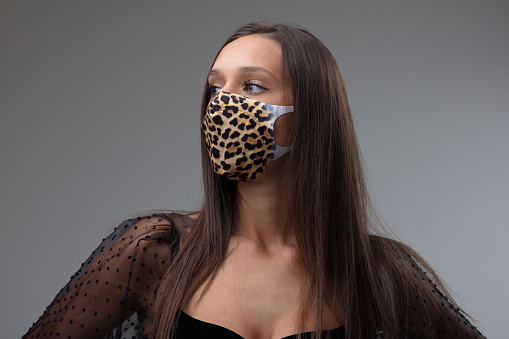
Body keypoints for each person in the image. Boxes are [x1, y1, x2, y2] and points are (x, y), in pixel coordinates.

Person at [23, 21, 485, 339]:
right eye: (215, 86)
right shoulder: (157, 251)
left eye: (252, 86)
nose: (223, 104)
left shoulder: (377, 271)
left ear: (308, 118)